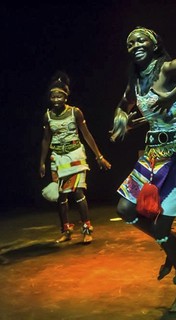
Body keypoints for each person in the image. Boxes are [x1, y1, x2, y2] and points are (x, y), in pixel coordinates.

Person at [110, 26, 176, 312]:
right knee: (125, 210)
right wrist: (121, 117)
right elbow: (124, 103)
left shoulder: (167, 68)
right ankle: (174, 243)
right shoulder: (135, 81)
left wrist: (172, 95)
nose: (135, 45)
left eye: (141, 40)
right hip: (156, 153)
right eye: (130, 42)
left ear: (155, 45)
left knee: (161, 226)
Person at [39, 71, 111, 244]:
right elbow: (46, 139)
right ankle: (66, 230)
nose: (56, 100)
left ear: (66, 97)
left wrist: (99, 156)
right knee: (61, 196)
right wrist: (42, 162)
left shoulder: (75, 113)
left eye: (59, 96)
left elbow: (87, 135)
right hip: (58, 158)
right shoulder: (47, 116)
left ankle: (86, 228)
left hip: (75, 155)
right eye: (53, 97)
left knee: (78, 192)